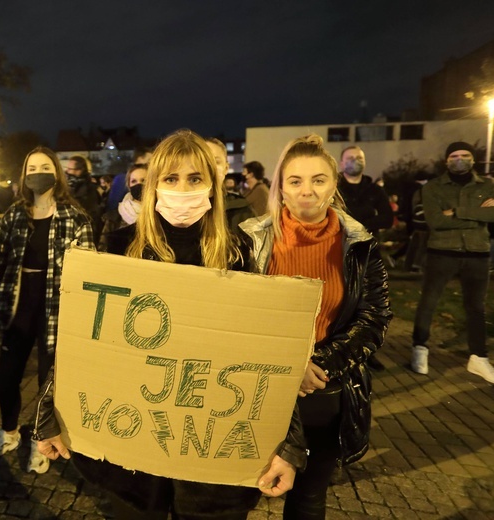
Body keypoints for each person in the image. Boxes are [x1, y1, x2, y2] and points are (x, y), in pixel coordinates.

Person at [33, 129, 308, 520]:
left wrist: (288, 443)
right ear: (153, 185)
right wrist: (49, 412)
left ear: (212, 185)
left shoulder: (238, 251)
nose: (183, 188)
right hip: (133, 454)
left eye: (195, 178)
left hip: (211, 461)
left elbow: (262, 353)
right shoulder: (118, 247)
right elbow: (82, 343)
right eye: (171, 178)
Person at [238, 134, 392, 519]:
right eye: (295, 181)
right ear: (281, 188)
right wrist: (288, 364)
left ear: (334, 185)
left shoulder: (359, 244)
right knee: (238, 493)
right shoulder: (248, 239)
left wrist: (319, 366)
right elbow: (236, 316)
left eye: (318, 179)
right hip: (257, 388)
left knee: (308, 499)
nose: (307, 190)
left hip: (325, 389)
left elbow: (373, 318)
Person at [0, 146, 94, 473]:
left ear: (56, 172)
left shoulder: (76, 217)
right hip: (19, 306)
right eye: (31, 168)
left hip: (57, 308)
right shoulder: (15, 215)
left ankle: (40, 438)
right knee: (7, 378)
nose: (37, 173)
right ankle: (8, 432)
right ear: (23, 174)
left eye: (44, 167)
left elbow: (88, 271)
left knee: (49, 383)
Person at [411, 142, 494, 384]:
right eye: (454, 156)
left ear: (473, 158)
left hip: (477, 252)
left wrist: (456, 212)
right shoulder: (434, 188)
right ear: (446, 160)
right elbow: (436, 221)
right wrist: (476, 213)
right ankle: (420, 346)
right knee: (428, 301)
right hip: (442, 252)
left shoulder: (487, 185)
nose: (460, 159)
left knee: (476, 307)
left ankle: (479, 356)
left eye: (465, 155)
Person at [337, 146, 392, 372]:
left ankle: (368, 352)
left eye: (359, 158)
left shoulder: (374, 190)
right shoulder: (335, 188)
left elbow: (388, 217)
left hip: (369, 253)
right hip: (341, 252)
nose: (355, 161)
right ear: (341, 164)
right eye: (350, 158)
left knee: (369, 305)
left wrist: (360, 226)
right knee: (344, 303)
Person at [206, 138, 254, 233]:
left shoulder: (241, 210)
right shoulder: (178, 208)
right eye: (203, 161)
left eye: (216, 161)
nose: (210, 167)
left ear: (226, 168)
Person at [100, 163, 146, 254]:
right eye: (134, 181)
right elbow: (103, 250)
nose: (139, 185)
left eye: (144, 180)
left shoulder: (162, 214)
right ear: (129, 185)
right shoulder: (114, 217)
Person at [66, 155, 103, 244]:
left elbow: (91, 216)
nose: (67, 171)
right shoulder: (67, 187)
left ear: (80, 170)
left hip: (81, 236)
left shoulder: (89, 190)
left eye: (70, 169)